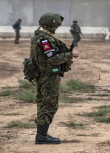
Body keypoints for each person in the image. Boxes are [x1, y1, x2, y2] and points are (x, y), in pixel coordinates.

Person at [31, 12, 79, 144]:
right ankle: (41, 136)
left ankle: (41, 134)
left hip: (42, 75)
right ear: (54, 24)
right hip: (48, 76)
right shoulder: (46, 39)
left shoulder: (39, 37)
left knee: (43, 103)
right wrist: (70, 55)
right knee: (49, 104)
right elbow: (53, 58)